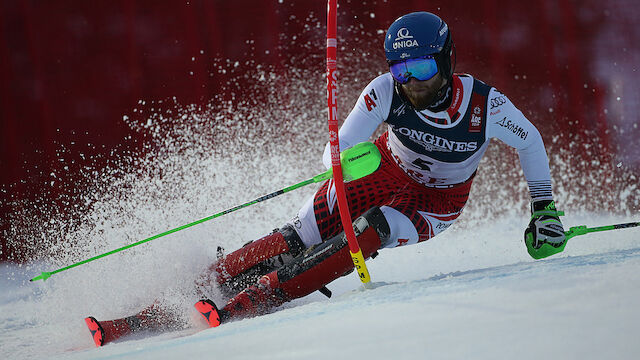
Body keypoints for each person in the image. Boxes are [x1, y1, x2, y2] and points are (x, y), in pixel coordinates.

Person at [85, 11, 568, 345]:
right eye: (401, 68)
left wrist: (543, 209)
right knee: (300, 234)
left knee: (370, 229)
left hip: (434, 203)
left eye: (422, 65)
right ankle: (172, 301)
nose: (412, 80)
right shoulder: (386, 92)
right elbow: (334, 148)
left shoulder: (487, 106)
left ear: (445, 61)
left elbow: (531, 143)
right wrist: (340, 158)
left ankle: (258, 297)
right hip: (380, 170)